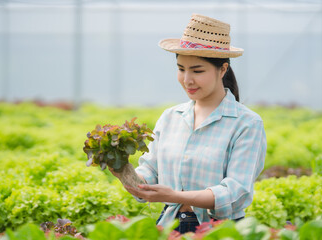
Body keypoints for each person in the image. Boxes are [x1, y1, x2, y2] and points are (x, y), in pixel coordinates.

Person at [111, 13, 266, 234]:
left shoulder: (246, 123)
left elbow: (234, 190)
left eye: (197, 71)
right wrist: (122, 170)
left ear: (222, 69)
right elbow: (148, 176)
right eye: (181, 69)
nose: (187, 80)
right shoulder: (170, 117)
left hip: (221, 232)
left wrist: (174, 196)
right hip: (170, 227)